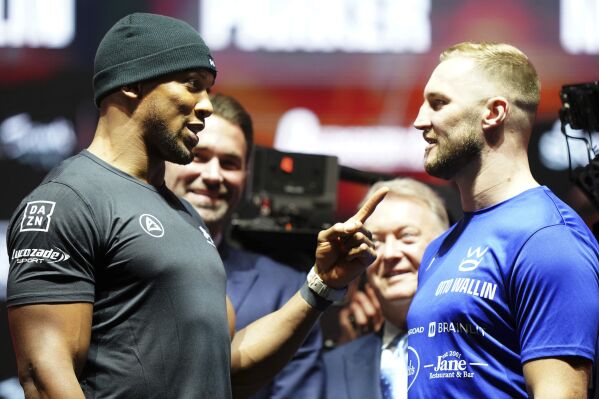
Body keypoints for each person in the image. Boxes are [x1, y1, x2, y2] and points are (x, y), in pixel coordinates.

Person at [5, 13, 388, 399]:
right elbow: (45, 375)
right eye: (192, 86)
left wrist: (322, 285)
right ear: (134, 83)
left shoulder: (185, 216)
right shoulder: (68, 199)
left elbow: (228, 367)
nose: (206, 106)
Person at [407, 41, 599, 398]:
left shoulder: (548, 239)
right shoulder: (439, 249)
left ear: (493, 113)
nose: (420, 120)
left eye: (438, 103)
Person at [165, 93, 324, 399]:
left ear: (246, 177)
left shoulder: (289, 292)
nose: (213, 176)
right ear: (167, 160)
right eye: (199, 156)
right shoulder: (111, 263)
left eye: (229, 163)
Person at [324, 178, 449, 399]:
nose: (389, 253)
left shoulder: (491, 344)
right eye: (377, 242)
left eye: (407, 237)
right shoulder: (331, 368)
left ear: (445, 246)